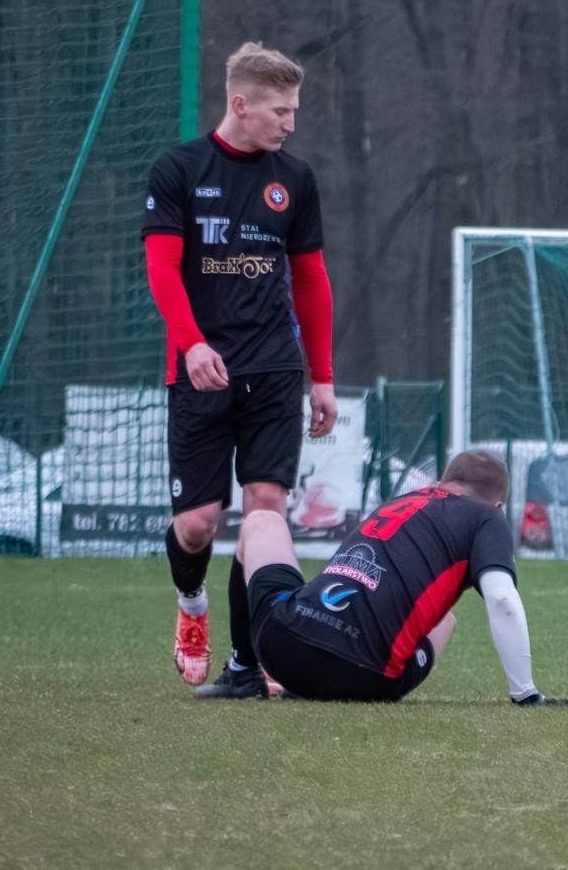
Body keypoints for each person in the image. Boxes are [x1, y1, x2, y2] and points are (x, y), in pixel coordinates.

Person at [143, 42, 338, 698]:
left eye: (294, 110)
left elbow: (311, 282)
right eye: (281, 110)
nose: (290, 123)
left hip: (275, 371)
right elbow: (162, 270)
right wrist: (192, 344)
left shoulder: (296, 180)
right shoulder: (178, 170)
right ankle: (192, 603)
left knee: (264, 513)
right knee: (197, 521)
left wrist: (324, 377)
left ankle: (247, 664)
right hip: (200, 371)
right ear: (240, 104)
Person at [240, 448, 568, 705]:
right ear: (498, 504)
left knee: (261, 522)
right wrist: (526, 694)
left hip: (284, 648)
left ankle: (241, 668)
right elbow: (502, 598)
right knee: (446, 621)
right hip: (363, 677)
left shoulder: (404, 500)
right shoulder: (487, 517)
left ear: (440, 484)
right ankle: (305, 676)